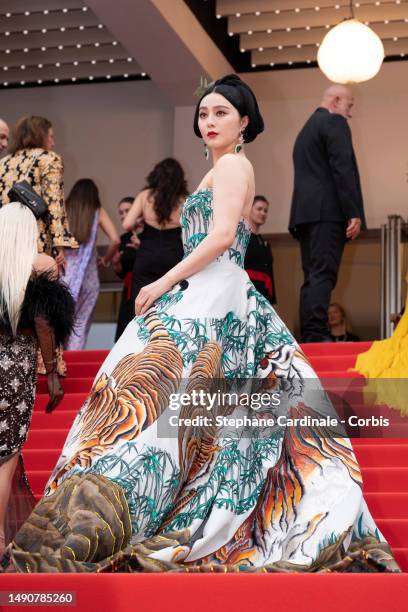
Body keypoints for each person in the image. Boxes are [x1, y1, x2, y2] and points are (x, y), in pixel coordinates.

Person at [5, 75, 398, 574]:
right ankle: (140, 499)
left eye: (221, 114)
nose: (209, 121)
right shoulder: (221, 169)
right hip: (207, 293)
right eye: (205, 113)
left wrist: (162, 283)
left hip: (217, 294)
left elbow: (220, 238)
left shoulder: (234, 164)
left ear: (244, 123)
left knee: (159, 399)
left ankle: (137, 500)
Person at [0, 202, 74, 557]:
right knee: (6, 455)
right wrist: (52, 377)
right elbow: (44, 322)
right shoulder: (40, 264)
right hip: (15, 366)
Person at [289, 85, 366, 343]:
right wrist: (354, 212)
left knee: (311, 275)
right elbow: (342, 168)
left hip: (304, 215)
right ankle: (318, 335)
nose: (350, 113)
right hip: (327, 213)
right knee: (323, 274)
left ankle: (311, 334)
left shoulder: (306, 130)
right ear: (335, 101)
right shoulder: (334, 123)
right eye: (349, 105)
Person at [0, 116, 77, 273]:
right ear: (40, 135)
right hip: (36, 236)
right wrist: (59, 245)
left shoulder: (3, 162)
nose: (53, 143)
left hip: (7, 238)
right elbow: (54, 203)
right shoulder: (49, 159)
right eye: (51, 136)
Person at [63, 179, 120, 350]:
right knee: (80, 323)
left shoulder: (63, 209)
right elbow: (116, 240)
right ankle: (72, 362)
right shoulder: (97, 211)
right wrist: (106, 259)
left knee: (60, 322)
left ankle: (58, 363)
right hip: (88, 278)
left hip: (64, 274)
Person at [123, 158, 187, 306]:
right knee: (172, 308)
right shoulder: (184, 199)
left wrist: (141, 219)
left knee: (142, 307)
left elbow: (127, 224)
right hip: (173, 257)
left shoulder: (145, 196)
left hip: (147, 256)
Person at [113, 197, 145, 341]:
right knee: (125, 333)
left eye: (127, 211)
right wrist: (117, 264)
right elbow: (122, 273)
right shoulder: (123, 239)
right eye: (120, 212)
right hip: (128, 292)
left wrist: (141, 248)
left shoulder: (151, 234)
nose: (123, 215)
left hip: (147, 286)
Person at [244, 194, 277, 305]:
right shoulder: (241, 238)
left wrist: (272, 301)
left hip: (264, 295)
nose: (263, 213)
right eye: (259, 209)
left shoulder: (265, 244)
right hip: (246, 292)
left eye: (265, 211)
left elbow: (269, 273)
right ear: (249, 210)